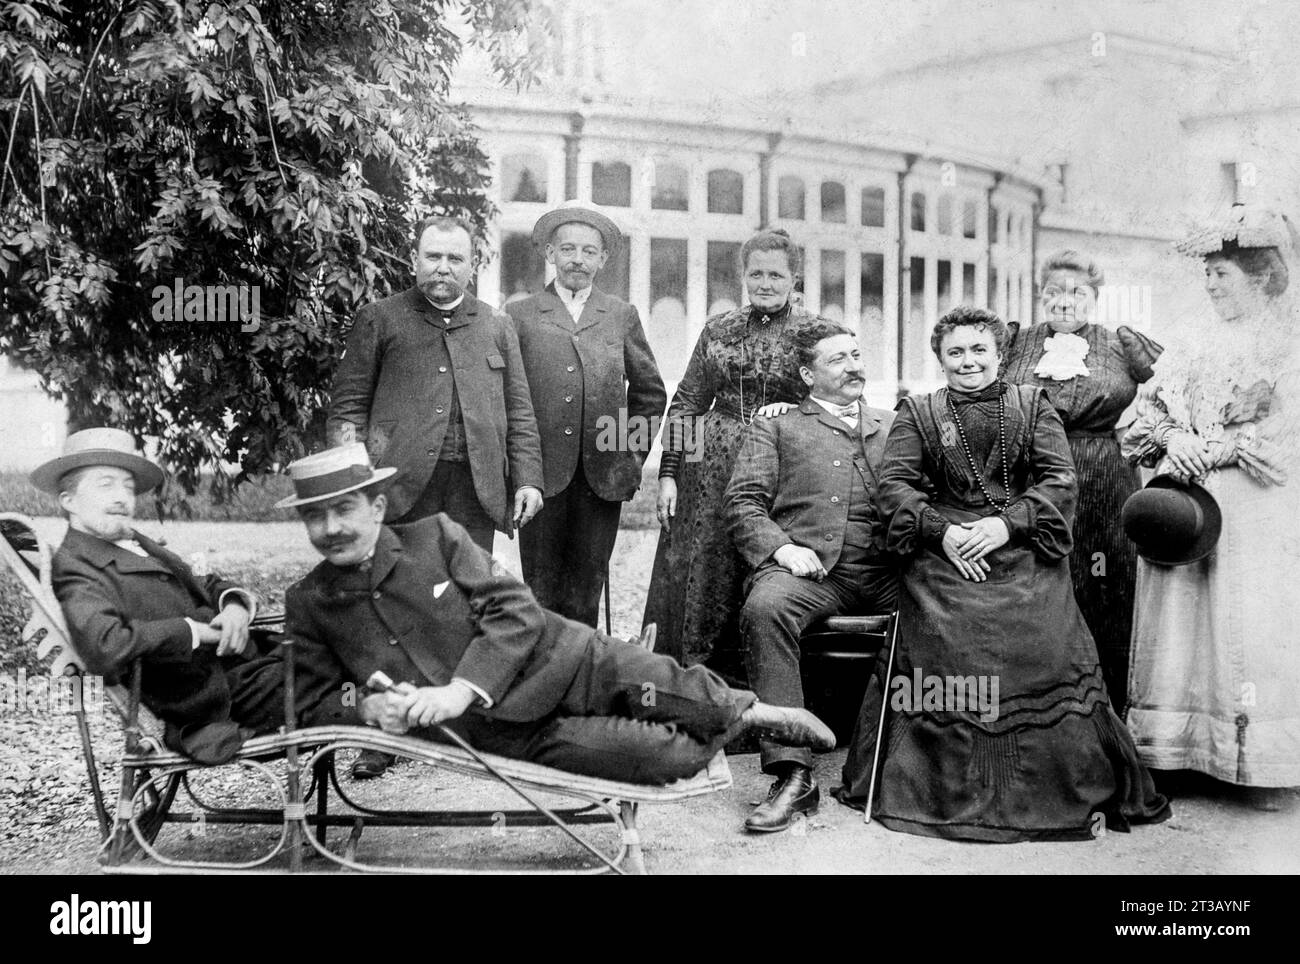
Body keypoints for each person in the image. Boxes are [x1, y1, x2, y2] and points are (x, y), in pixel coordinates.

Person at [280, 443, 838, 792]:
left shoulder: (436, 538)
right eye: (316, 517)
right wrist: (369, 707)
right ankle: (722, 726)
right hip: (505, 732)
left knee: (656, 684)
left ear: (376, 508)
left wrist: (458, 690)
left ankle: (755, 713)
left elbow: (514, 609)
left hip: (562, 657)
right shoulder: (310, 601)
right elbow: (308, 699)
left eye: (344, 509)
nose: (332, 528)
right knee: (659, 757)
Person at [836, 306, 1170, 841]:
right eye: (955, 353)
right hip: (943, 547)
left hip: (1021, 543)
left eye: (979, 351)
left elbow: (1059, 480)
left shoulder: (1032, 404)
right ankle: (941, 788)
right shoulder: (918, 412)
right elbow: (894, 487)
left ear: (998, 355)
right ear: (940, 359)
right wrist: (943, 533)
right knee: (946, 625)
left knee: (1038, 627)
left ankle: (1044, 786)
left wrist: (1003, 526)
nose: (968, 362)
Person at [1122, 204, 1300, 811]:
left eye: (1221, 273)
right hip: (1185, 497)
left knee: (1250, 620)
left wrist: (1223, 445)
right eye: (1206, 274)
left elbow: (1290, 433)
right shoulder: (1192, 343)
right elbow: (1141, 418)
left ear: (1261, 276)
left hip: (1256, 506)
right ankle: (1176, 754)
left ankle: (1260, 766)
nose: (1210, 285)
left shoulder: (1287, 343)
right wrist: (1174, 440)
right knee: (1179, 614)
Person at [38, 429, 352, 764]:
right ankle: (383, 711)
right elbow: (106, 647)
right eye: (105, 485)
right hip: (210, 700)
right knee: (344, 651)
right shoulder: (76, 567)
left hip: (244, 671)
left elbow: (205, 581)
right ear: (68, 500)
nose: (121, 498)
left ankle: (376, 708)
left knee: (341, 645)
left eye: (128, 487)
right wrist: (191, 630)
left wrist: (233, 607)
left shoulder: (131, 542)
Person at [724, 320, 898, 832]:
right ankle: (793, 774)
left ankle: (920, 759)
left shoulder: (894, 423)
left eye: (857, 355)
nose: (854, 366)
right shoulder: (776, 426)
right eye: (838, 359)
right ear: (807, 374)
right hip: (813, 572)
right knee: (765, 609)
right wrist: (782, 548)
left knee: (947, 604)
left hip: (885, 568)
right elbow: (742, 504)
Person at [642, 229, 811, 679]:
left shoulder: (816, 335)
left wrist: (796, 408)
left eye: (777, 274)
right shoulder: (719, 329)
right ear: (743, 276)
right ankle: (692, 686)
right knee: (705, 572)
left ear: (795, 278)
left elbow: (842, 397)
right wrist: (669, 474)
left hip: (782, 466)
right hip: (710, 471)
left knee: (764, 567)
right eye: (756, 273)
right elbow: (687, 401)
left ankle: (764, 694)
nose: (766, 283)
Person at [1002, 251, 1163, 713]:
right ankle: (1037, 703)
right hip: (1034, 474)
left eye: (1077, 293)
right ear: (1041, 294)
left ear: (1094, 298)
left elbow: (1167, 397)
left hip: (1107, 479)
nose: (1064, 302)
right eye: (1054, 292)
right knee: (1039, 578)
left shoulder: (1123, 345)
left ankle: (1110, 705)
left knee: (1108, 580)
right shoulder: (1014, 342)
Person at [327, 215, 545, 552]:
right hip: (399, 488)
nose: (443, 267)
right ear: (415, 260)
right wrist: (351, 480)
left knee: (467, 593)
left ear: (472, 266)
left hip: (476, 490)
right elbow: (347, 410)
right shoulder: (379, 319)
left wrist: (528, 480)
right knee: (402, 592)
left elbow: (519, 413)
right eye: (433, 257)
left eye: (455, 259)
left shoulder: (497, 325)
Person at [505, 201, 666, 627]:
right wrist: (520, 469)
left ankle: (582, 683)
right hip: (540, 479)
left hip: (601, 482)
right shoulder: (520, 315)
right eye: (568, 249)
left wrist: (628, 460)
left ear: (603, 259)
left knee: (584, 593)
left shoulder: (620, 316)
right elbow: (507, 396)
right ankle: (542, 681)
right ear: (550, 254)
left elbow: (650, 394)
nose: (578, 259)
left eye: (589, 251)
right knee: (539, 592)